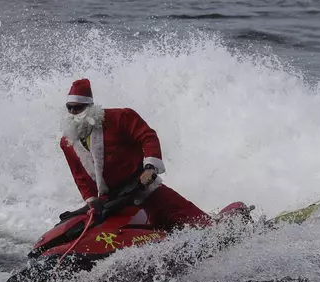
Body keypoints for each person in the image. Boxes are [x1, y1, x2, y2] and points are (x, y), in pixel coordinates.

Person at [60, 78, 212, 230]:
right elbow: (80, 176)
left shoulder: (120, 118)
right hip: (112, 201)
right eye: (70, 108)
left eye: (78, 108)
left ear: (89, 106)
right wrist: (91, 200)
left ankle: (212, 229)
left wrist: (150, 168)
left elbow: (147, 137)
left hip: (142, 187)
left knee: (196, 221)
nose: (73, 112)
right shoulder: (67, 142)